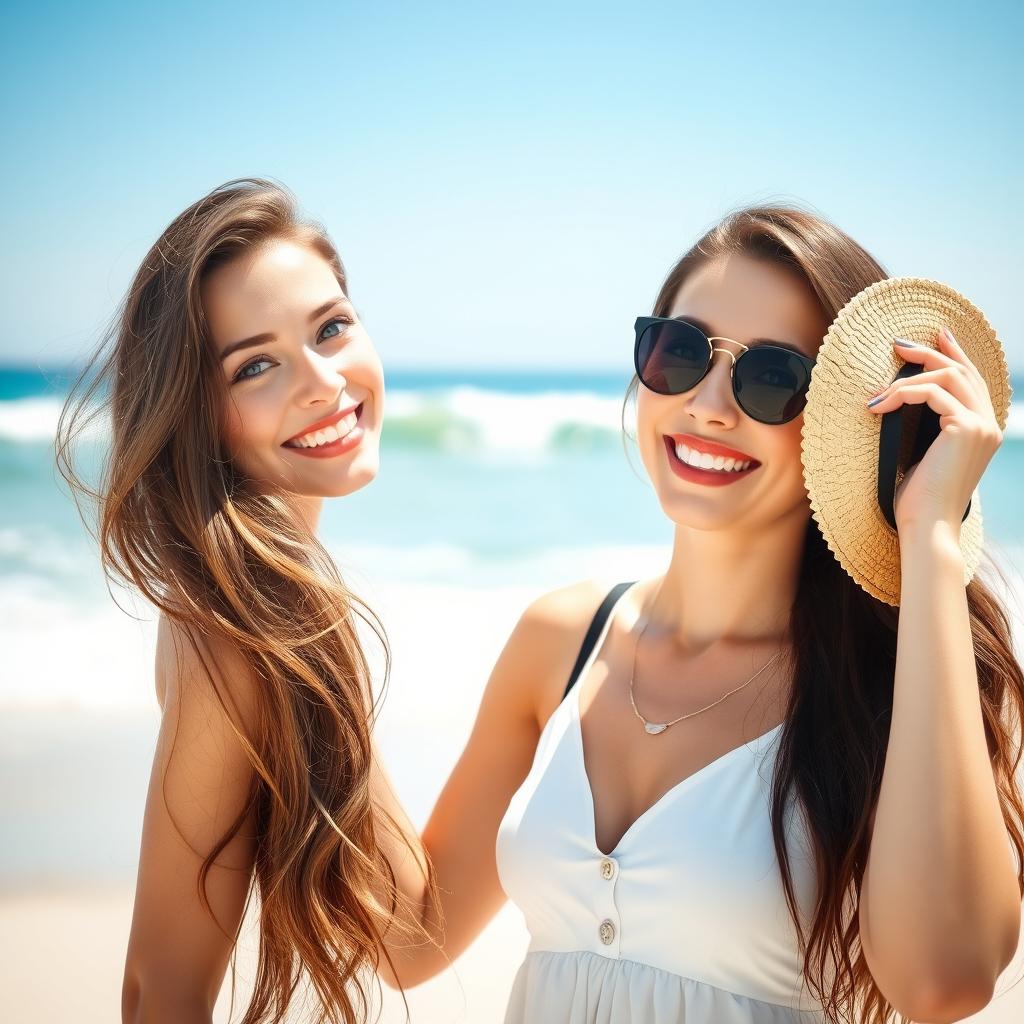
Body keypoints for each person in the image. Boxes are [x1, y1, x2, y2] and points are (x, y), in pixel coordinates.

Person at [374, 204, 1024, 1022]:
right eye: (680, 352)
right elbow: (410, 939)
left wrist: (927, 533)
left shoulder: (895, 682)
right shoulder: (561, 640)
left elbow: (944, 983)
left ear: (853, 421)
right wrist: (293, 626)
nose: (710, 406)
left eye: (772, 376)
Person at [57, 178, 432, 1024]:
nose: (323, 381)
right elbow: (160, 992)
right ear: (198, 411)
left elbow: (405, 935)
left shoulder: (268, 597)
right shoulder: (236, 627)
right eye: (255, 365)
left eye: (332, 327)